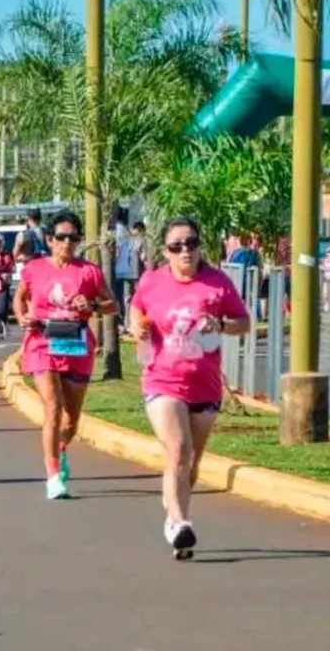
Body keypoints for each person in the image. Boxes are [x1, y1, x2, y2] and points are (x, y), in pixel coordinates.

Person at [129, 217, 249, 559]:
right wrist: (137, 325)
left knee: (190, 462)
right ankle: (180, 522)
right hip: (162, 379)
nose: (185, 250)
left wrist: (222, 324)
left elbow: (243, 322)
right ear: (165, 251)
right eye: (176, 246)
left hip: (205, 385)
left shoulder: (217, 282)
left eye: (191, 243)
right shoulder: (152, 281)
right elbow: (137, 310)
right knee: (178, 450)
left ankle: (173, 511)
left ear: (200, 247)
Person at [13, 209, 116, 500]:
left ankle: (60, 448)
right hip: (42, 340)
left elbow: (112, 305)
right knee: (52, 408)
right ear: (49, 239)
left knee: (71, 419)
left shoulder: (89, 271)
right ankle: (53, 476)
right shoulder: (35, 268)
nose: (67, 243)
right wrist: (22, 316)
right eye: (61, 237)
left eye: (73, 237)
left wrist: (93, 306)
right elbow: (20, 297)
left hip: (76, 343)